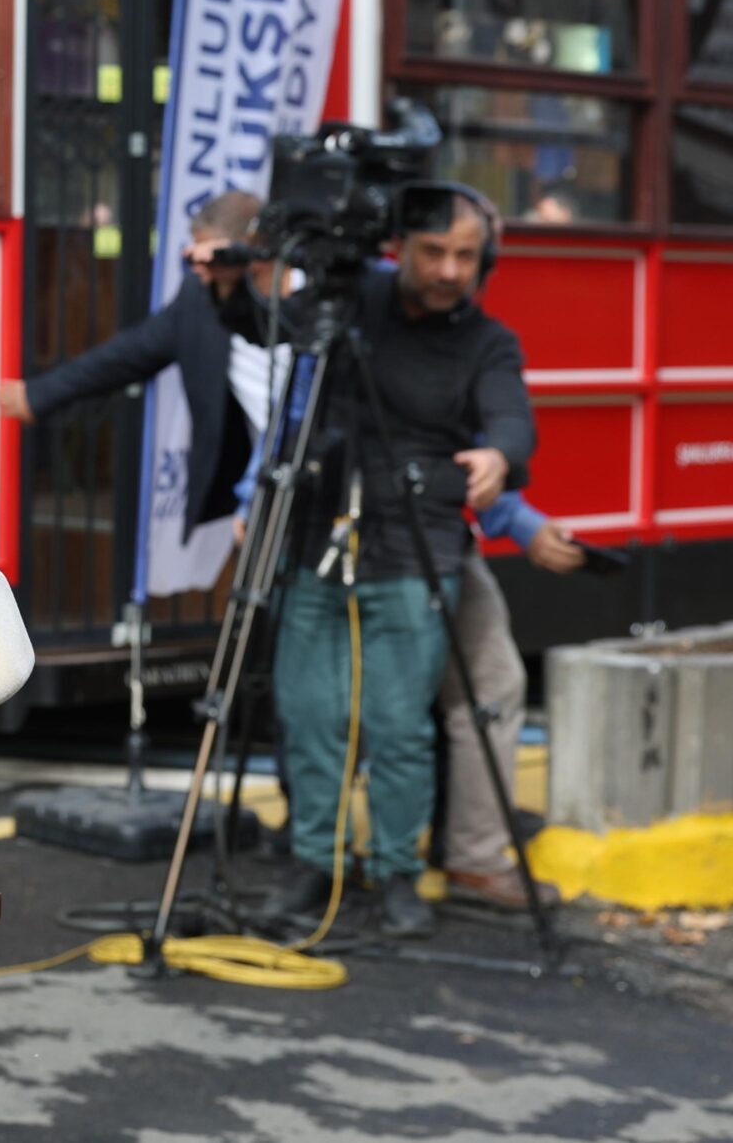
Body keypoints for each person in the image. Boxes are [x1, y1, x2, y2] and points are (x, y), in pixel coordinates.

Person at [209, 186, 533, 940]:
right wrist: (228, 285)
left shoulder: (487, 341)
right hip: (315, 536)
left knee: (397, 727)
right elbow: (267, 326)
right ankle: (316, 862)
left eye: (466, 256)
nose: (451, 270)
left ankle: (394, 872)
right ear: (401, 248)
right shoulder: (353, 301)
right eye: (434, 252)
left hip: (415, 548)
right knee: (312, 714)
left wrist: (498, 455)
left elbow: (513, 421)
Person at [0, 189, 282, 545]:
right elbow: (128, 354)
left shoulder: (317, 298)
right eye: (197, 258)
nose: (203, 270)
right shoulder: (201, 299)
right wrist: (39, 394)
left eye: (214, 257)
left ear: (254, 249)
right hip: (272, 485)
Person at [440, 490, 583, 910]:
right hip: (371, 541)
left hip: (442, 537)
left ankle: (474, 856)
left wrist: (521, 521)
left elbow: (475, 439)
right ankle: (344, 862)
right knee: (388, 705)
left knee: (492, 685)